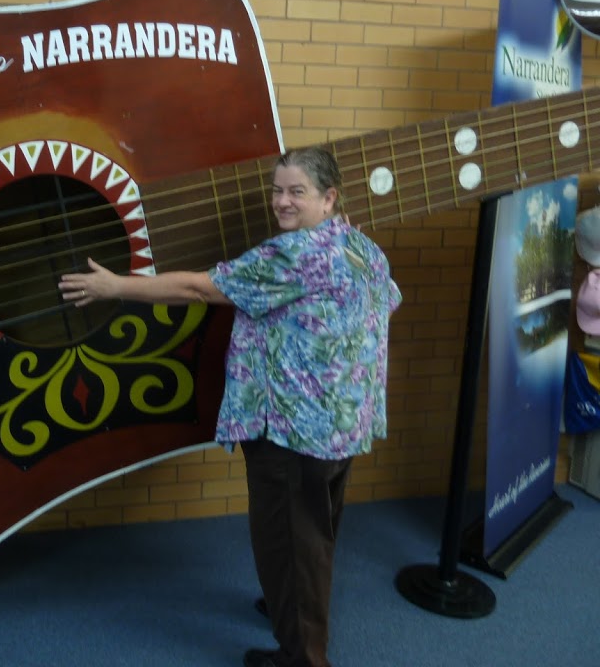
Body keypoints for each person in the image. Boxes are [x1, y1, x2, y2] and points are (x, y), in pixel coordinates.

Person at [59, 146, 402, 667]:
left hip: (292, 430)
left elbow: (199, 289)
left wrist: (115, 286)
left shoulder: (293, 255)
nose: (282, 202)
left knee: (289, 539)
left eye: (297, 193)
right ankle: (291, 604)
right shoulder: (361, 247)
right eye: (277, 190)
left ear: (329, 197)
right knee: (314, 533)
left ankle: (302, 658)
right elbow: (387, 299)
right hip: (342, 425)